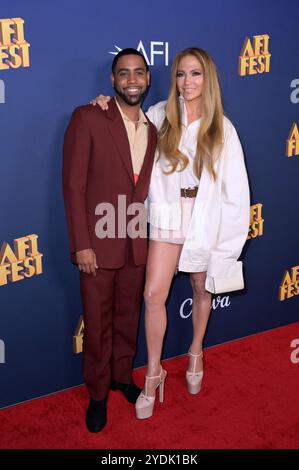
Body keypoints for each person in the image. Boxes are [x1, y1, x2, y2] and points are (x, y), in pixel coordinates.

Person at [92, 47, 250, 420]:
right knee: (152, 295)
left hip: (205, 220)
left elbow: (237, 192)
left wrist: (227, 246)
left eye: (195, 74)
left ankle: (195, 350)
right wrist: (105, 105)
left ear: (207, 78)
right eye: (180, 74)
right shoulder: (159, 116)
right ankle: (153, 371)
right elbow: (124, 126)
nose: (187, 82)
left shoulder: (222, 128)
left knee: (200, 288)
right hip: (166, 218)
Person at [63, 48, 157, 432]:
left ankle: (122, 377)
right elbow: (73, 186)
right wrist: (81, 244)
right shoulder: (88, 117)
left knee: (127, 318)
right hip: (97, 246)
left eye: (138, 73)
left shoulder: (153, 129)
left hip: (135, 240)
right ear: (113, 81)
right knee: (98, 324)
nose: (131, 80)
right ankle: (98, 393)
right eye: (124, 73)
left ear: (148, 79)